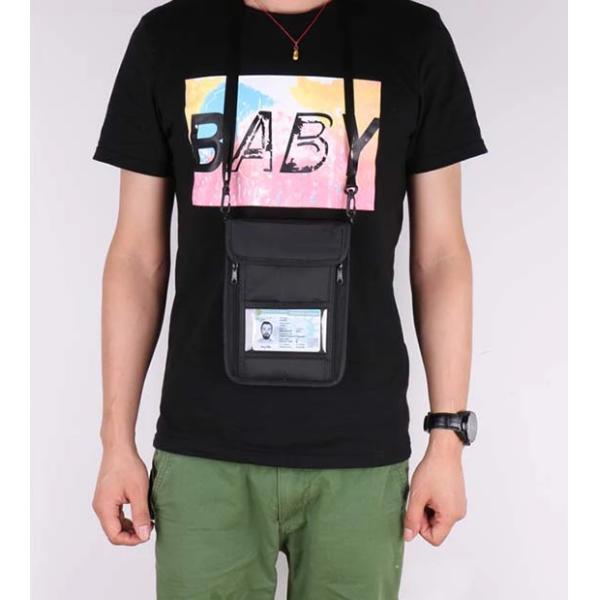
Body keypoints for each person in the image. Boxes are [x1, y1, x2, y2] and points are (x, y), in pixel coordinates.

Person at [92, 0, 486, 598]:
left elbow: (442, 258)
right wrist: (115, 441)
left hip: (359, 452)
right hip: (204, 451)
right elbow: (135, 258)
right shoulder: (168, 36)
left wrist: (448, 437)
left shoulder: (412, 36)